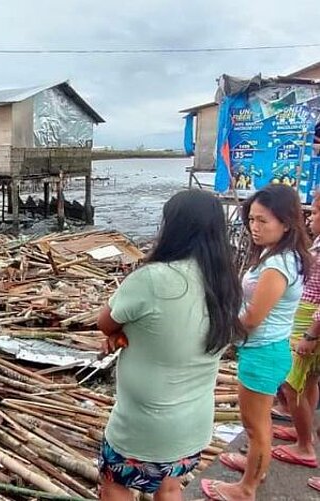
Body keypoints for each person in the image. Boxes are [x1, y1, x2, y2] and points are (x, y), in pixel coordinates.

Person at [96, 190, 244, 501]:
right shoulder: (226, 283)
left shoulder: (153, 279)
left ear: (173, 228)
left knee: (115, 484)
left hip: (143, 426)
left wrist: (120, 332)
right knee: (170, 486)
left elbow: (105, 322)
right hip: (193, 422)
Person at [202, 184, 312, 501]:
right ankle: (255, 468)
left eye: (263, 221)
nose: (254, 227)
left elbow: (251, 319)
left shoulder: (278, 265)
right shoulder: (280, 254)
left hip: (263, 352)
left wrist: (216, 324)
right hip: (268, 348)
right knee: (258, 424)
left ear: (287, 222)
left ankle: (246, 488)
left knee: (256, 426)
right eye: (251, 219)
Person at [270, 194, 320, 482]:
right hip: (306, 320)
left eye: (314, 212)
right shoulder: (316, 244)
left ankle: (304, 446)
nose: (310, 219)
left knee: (293, 385)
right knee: (309, 380)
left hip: (309, 324)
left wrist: (311, 334)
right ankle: (304, 431)